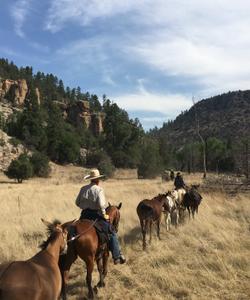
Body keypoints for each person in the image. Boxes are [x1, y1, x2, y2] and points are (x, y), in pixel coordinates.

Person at [75, 168, 126, 265]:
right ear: (98, 180)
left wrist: (85, 207)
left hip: (84, 215)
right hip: (96, 216)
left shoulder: (83, 188)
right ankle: (117, 256)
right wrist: (105, 215)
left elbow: (77, 203)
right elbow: (102, 205)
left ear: (91, 179)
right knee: (112, 231)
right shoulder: (99, 190)